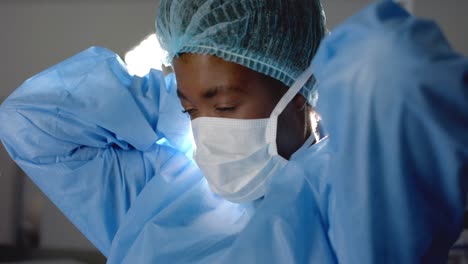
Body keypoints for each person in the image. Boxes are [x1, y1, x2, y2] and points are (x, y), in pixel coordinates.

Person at [0, 0, 467, 263]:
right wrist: (167, 100)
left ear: (299, 88)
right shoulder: (162, 192)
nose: (206, 130)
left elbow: (395, 63)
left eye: (224, 104)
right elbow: (30, 121)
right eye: (189, 109)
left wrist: (322, 64)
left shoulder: (348, 197)